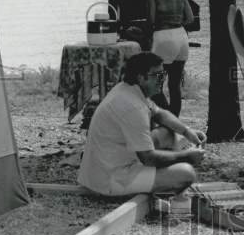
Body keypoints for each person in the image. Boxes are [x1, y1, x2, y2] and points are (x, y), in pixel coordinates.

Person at [78, 51, 206, 199]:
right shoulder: (132, 107)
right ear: (141, 77)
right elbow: (148, 158)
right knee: (186, 173)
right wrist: (186, 157)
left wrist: (187, 131)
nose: (162, 79)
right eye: (157, 76)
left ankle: (156, 179)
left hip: (108, 165)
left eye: (163, 74)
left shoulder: (127, 88)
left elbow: (159, 113)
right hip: (110, 179)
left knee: (167, 134)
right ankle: (152, 189)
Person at [135, 0, 195, 117]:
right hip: (182, 38)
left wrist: (138, 32)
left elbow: (151, 20)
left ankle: (167, 117)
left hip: (163, 39)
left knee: (154, 87)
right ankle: (174, 121)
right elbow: (190, 18)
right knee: (174, 86)